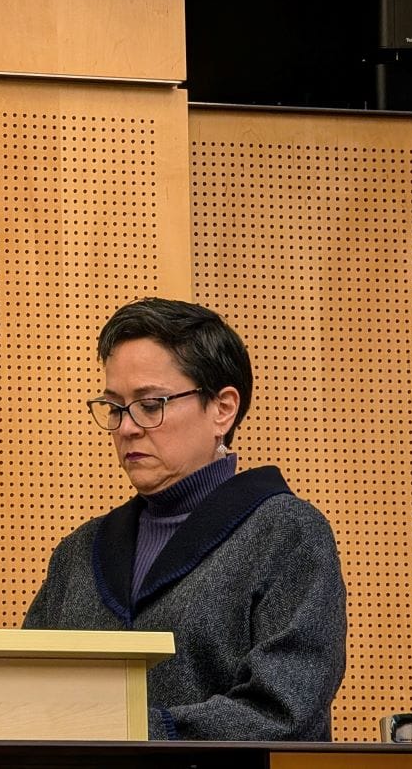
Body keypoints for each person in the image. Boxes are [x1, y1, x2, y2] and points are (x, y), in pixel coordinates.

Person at [24, 298, 345, 740]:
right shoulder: (79, 552)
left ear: (222, 409)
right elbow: (31, 693)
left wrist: (138, 731)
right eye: (115, 407)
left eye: (150, 404)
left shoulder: (286, 534)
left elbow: (284, 710)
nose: (127, 428)